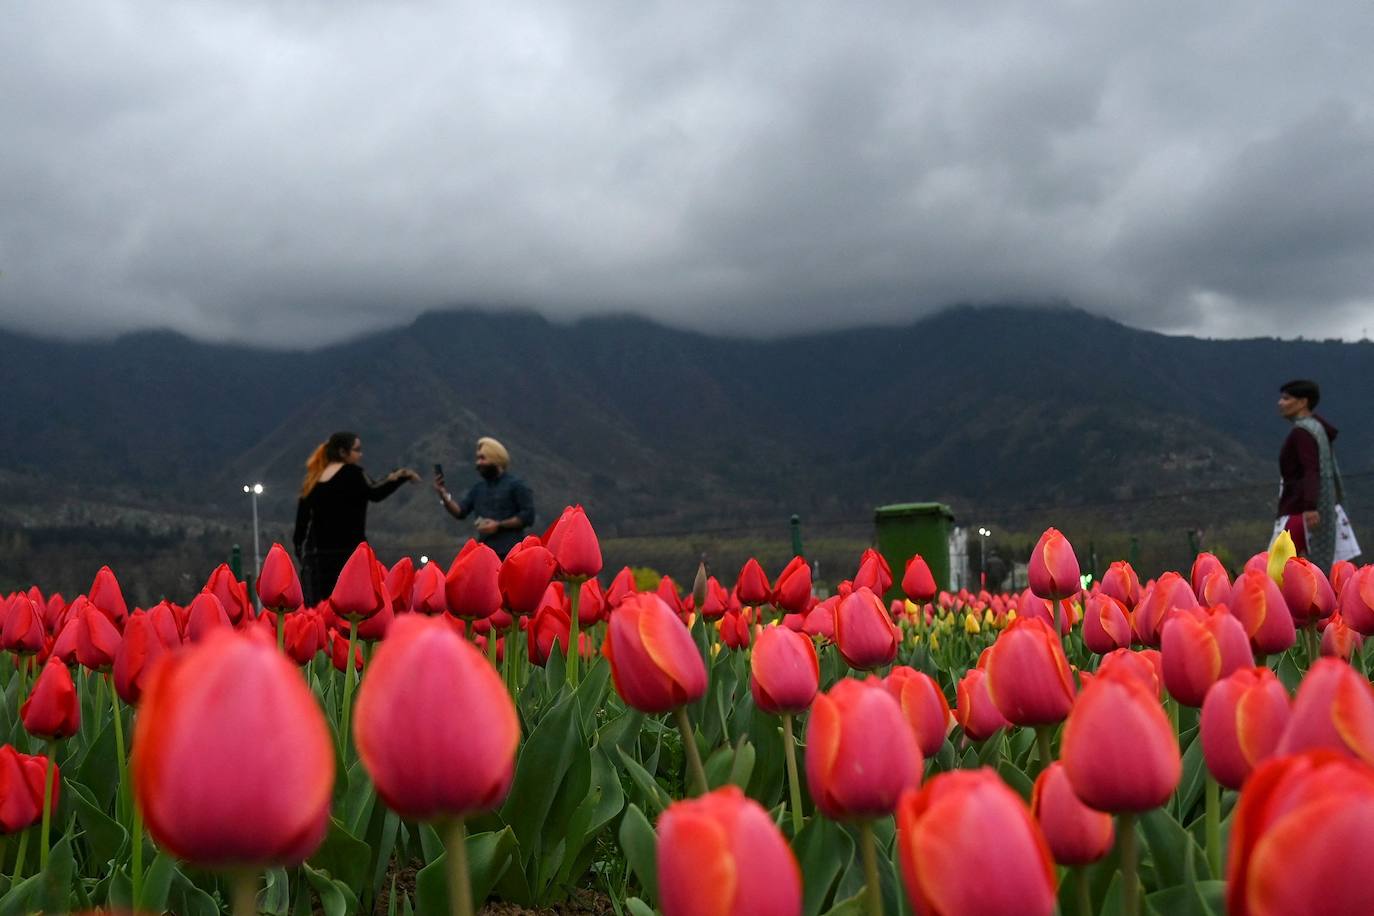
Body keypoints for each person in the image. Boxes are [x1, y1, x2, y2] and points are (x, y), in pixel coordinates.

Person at [293, 431, 419, 604]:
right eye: (357, 450)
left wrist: (300, 550)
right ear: (343, 452)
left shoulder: (313, 479)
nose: (360, 454)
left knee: (321, 610)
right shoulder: (353, 474)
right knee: (350, 607)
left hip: (317, 557)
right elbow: (375, 492)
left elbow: (301, 522)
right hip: (349, 553)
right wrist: (401, 478)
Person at [1274, 380, 1359, 571]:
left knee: (1282, 567)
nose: (1280, 403)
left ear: (1303, 402)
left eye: (1286, 398)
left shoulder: (1302, 433)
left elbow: (1311, 469)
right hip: (1313, 507)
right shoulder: (1316, 428)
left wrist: (1310, 506)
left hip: (1299, 510)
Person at [433, 436, 535, 558]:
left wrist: (498, 525)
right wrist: (444, 495)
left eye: (482, 458)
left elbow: (528, 516)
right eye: (477, 458)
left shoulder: (516, 485)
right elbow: (460, 512)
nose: (478, 463)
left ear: (495, 459)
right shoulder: (478, 488)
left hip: (512, 554)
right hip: (485, 554)